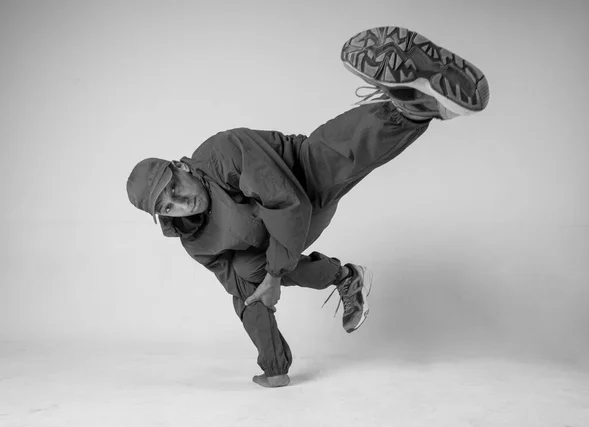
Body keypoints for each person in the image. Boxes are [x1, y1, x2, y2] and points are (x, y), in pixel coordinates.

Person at [126, 26, 490, 388]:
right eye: (167, 206)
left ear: (181, 166)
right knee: (248, 287)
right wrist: (274, 366)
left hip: (301, 178)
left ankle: (414, 104)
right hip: (278, 237)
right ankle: (346, 278)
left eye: (174, 187)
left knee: (333, 153)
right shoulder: (194, 241)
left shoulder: (220, 152)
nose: (179, 203)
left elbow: (286, 201)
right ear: (162, 216)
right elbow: (245, 292)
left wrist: (273, 275)